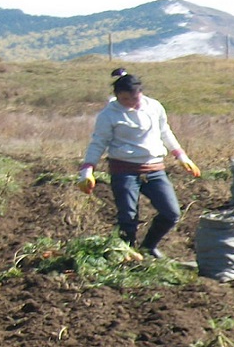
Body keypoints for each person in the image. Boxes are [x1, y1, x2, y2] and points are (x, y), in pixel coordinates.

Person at [77, 69, 200, 259]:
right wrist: (87, 169)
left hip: (154, 168)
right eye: (125, 99)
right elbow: (98, 142)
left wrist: (181, 155)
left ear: (140, 93)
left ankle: (148, 247)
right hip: (124, 169)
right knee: (127, 216)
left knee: (171, 213)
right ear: (117, 96)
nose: (130, 103)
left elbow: (164, 131)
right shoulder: (108, 115)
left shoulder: (155, 107)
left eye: (134, 98)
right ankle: (126, 254)